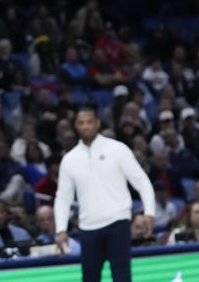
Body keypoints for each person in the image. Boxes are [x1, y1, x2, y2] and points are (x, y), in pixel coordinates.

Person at [54, 109, 155, 282]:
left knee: (122, 277)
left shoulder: (117, 149)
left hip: (118, 221)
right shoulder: (69, 159)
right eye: (81, 123)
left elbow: (141, 181)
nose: (86, 126)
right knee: (89, 278)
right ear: (76, 126)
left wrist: (149, 213)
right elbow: (63, 197)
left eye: (89, 122)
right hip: (88, 227)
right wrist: (61, 229)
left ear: (97, 123)